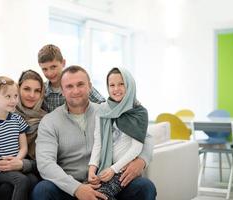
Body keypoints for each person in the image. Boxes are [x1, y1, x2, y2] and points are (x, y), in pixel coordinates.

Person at [32, 65, 156, 200]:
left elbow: (146, 137)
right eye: (69, 86)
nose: (76, 91)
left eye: (80, 84)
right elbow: (45, 163)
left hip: (107, 182)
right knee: (42, 190)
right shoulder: (49, 121)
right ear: (62, 90)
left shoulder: (108, 111)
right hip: (68, 187)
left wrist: (142, 160)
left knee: (144, 186)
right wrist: (77, 188)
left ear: (90, 86)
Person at [0, 70, 47, 200]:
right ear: (19, 89)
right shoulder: (3, 113)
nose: (32, 95)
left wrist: (20, 162)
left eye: (37, 90)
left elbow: (47, 159)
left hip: (32, 167)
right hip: (0, 168)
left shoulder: (47, 118)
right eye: (26, 89)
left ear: (42, 93)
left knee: (10, 188)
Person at [88, 67, 149, 200]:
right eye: (112, 85)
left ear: (129, 85)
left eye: (121, 84)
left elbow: (136, 148)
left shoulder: (139, 113)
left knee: (101, 196)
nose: (116, 89)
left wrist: (113, 170)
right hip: (105, 169)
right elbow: (98, 143)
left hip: (123, 170)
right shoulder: (103, 110)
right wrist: (92, 169)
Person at [37, 44, 105, 112]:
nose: (50, 73)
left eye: (53, 67)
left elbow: (103, 105)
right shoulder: (42, 90)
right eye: (45, 69)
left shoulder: (78, 83)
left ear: (63, 63)